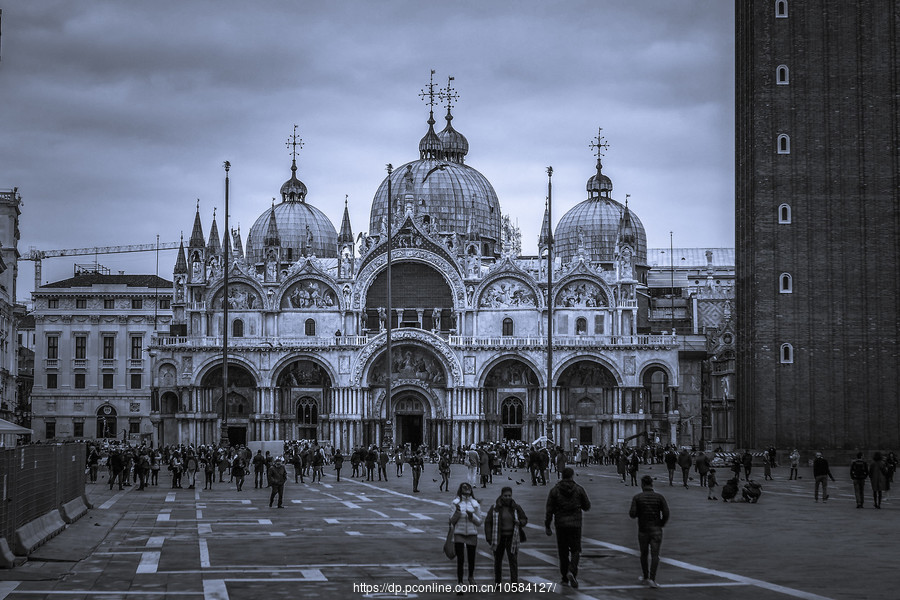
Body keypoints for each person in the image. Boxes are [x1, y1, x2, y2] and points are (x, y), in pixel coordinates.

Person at [545, 467, 591, 589]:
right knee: (576, 550)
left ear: (562, 476)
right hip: (575, 524)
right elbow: (587, 506)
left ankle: (564, 578)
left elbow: (549, 509)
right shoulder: (579, 489)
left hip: (560, 524)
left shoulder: (555, 491)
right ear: (572, 476)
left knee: (563, 552)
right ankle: (572, 571)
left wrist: (547, 525)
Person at [629, 475, 670, 589]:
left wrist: (640, 513)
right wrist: (661, 523)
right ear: (652, 484)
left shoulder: (637, 497)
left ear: (642, 484)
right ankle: (653, 578)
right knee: (655, 555)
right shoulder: (659, 497)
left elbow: (632, 514)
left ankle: (645, 576)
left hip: (643, 529)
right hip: (656, 528)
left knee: (644, 554)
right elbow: (666, 513)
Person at [484, 487, 528, 584]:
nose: (507, 498)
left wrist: (520, 522)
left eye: (509, 496)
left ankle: (514, 583)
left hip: (512, 538)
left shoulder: (516, 507)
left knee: (513, 562)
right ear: (501, 495)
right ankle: (498, 582)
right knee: (497, 562)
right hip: (499, 538)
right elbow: (488, 522)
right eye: (505, 496)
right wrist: (489, 538)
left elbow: (524, 519)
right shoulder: (495, 508)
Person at [450, 482, 483, 593]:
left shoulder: (475, 504)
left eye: (468, 488)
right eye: (464, 488)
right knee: (460, 559)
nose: (466, 489)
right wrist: (457, 513)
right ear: (461, 490)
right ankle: (460, 582)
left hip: (472, 533)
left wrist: (471, 516)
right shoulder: (455, 503)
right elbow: (451, 521)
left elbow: (479, 522)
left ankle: (471, 576)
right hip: (459, 532)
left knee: (471, 558)